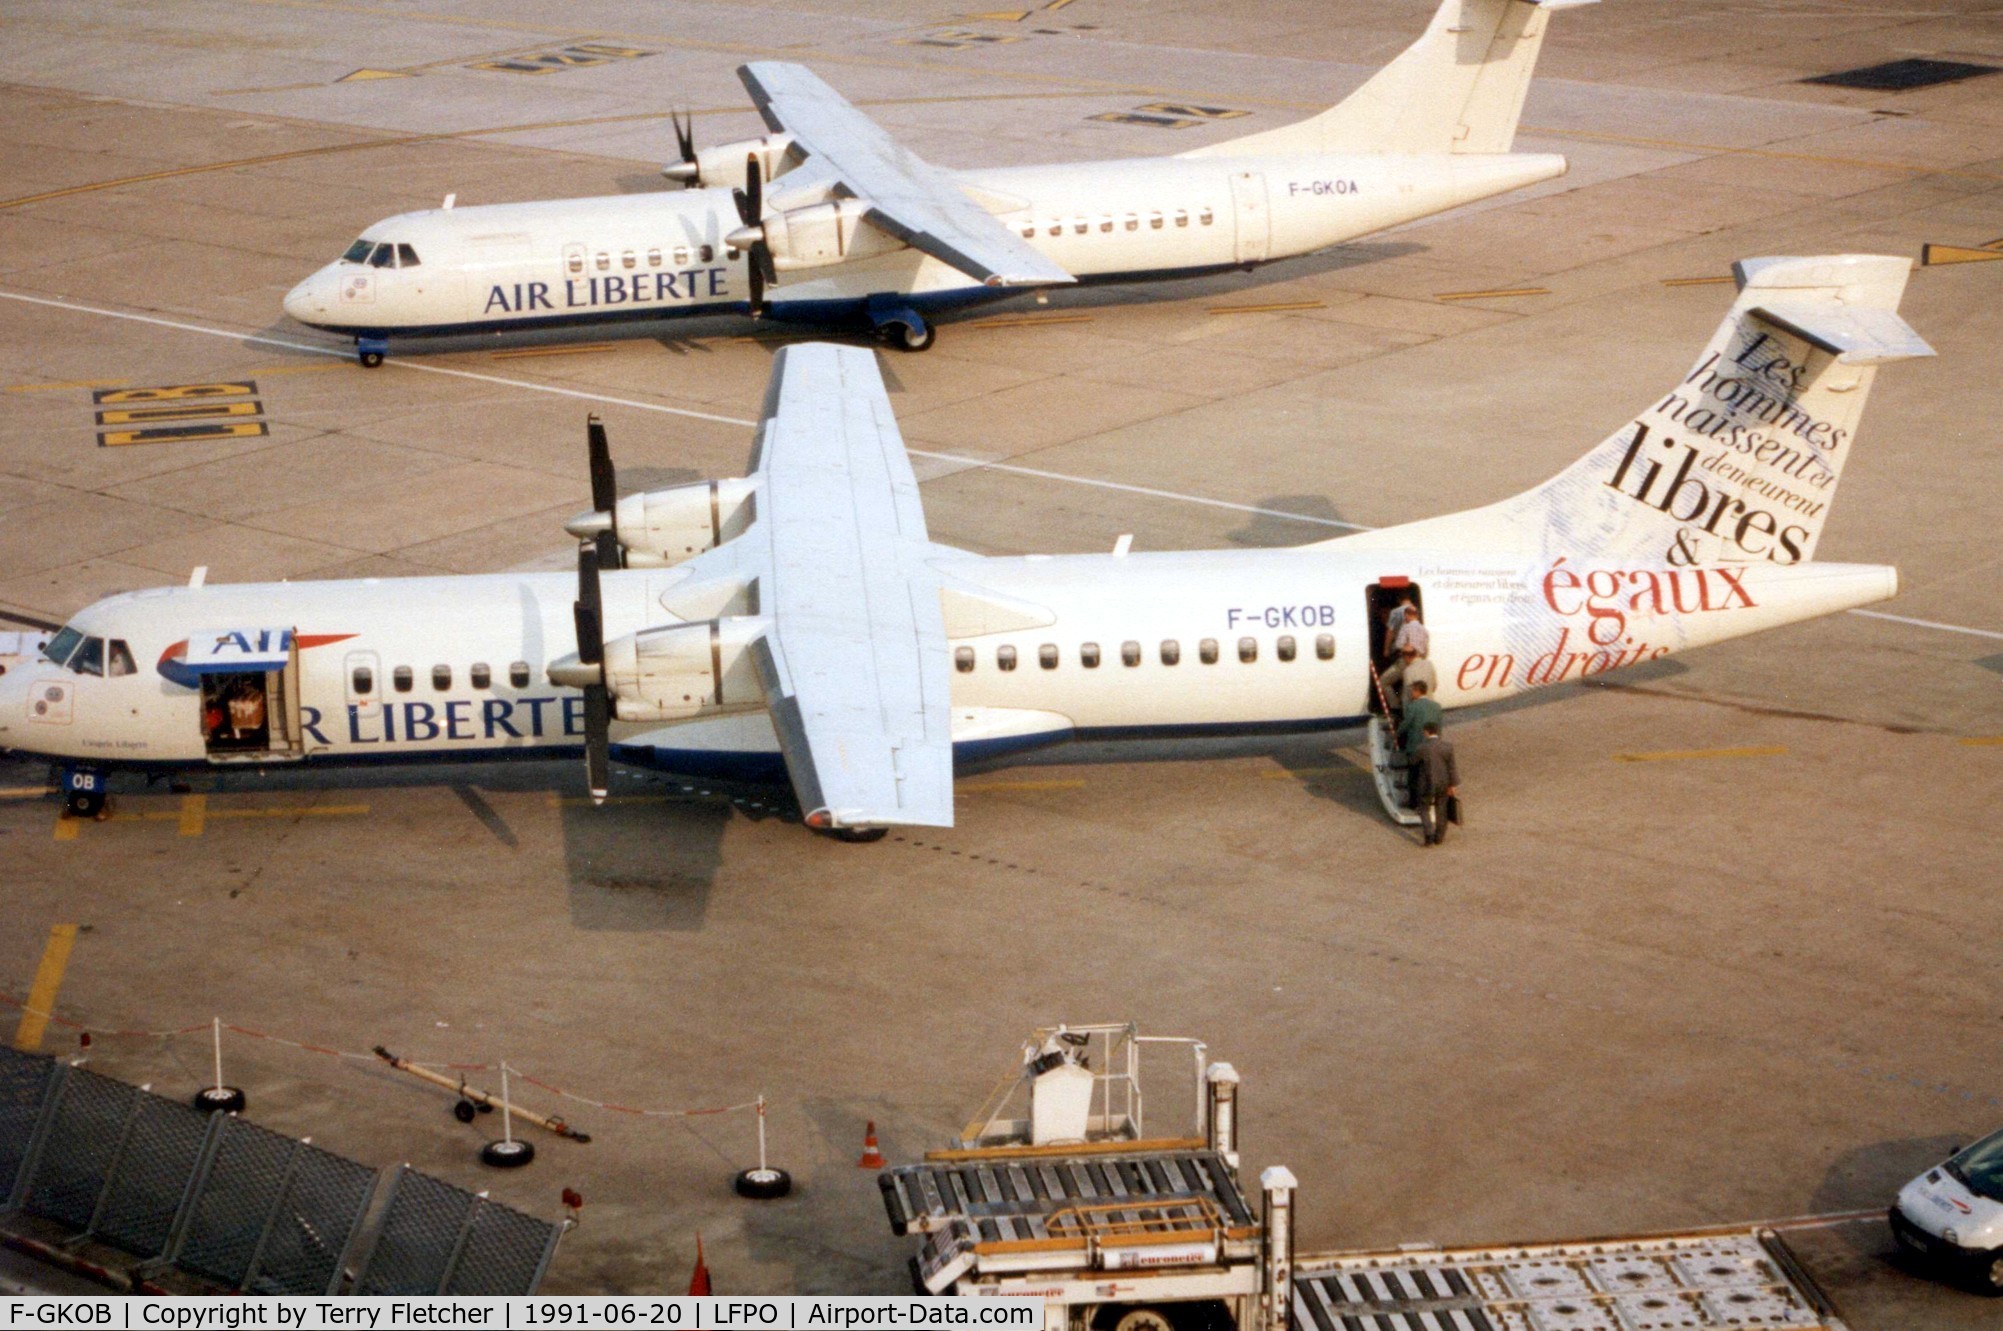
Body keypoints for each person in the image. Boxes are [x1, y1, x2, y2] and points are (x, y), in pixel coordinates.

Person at [1408, 721, 1458, 846]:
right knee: (1441, 809)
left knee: (1423, 808)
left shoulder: (1421, 748)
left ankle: (1429, 835)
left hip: (1426, 784)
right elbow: (1452, 767)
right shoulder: (1447, 746)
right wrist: (1452, 785)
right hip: (1443, 782)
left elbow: (1412, 762)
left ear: (1426, 732)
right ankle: (1439, 837)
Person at [1379, 645, 1437, 714]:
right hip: (1431, 710)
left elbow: (1406, 698)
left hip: (1418, 714)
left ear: (1406, 657)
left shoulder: (1408, 671)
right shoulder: (1429, 664)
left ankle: (1395, 709)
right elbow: (1434, 687)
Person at [1397, 678, 1442, 755]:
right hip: (1433, 745)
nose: (1411, 693)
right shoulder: (1437, 706)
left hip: (1416, 746)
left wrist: (1397, 733)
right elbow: (1439, 726)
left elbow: (1406, 724)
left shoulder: (1412, 706)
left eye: (1412, 691)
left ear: (1417, 691)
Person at [1381, 591, 1418, 661]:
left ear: (1398, 599)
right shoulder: (1417, 610)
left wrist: (1386, 649)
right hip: (1415, 647)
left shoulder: (1395, 612)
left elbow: (1390, 632)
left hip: (1400, 648)